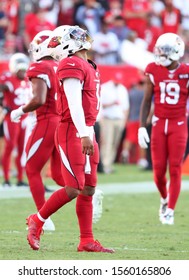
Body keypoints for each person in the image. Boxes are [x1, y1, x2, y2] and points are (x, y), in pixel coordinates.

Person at [25, 25, 114, 253]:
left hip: (86, 129)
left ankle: (86, 240)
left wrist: (90, 131)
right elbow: (73, 102)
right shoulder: (70, 63)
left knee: (89, 189)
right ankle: (38, 219)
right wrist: (85, 133)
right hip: (72, 130)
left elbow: (90, 103)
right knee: (74, 187)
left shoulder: (88, 65)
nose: (55, 47)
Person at [10, 30, 64, 231]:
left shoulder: (39, 67)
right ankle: (89, 194)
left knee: (32, 169)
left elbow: (39, 99)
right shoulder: (61, 65)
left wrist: (20, 110)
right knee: (60, 176)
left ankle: (43, 217)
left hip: (46, 121)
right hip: (62, 122)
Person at [138, 32, 188, 225]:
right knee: (158, 171)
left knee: (175, 168)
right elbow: (146, 99)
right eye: (160, 50)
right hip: (159, 123)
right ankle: (164, 199)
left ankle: (170, 211)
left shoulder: (186, 72)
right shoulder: (153, 69)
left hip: (179, 124)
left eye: (165, 51)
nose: (161, 54)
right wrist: (142, 126)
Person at [0, 52, 31, 187]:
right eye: (20, 70)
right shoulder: (8, 79)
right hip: (11, 119)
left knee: (22, 149)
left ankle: (19, 178)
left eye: (24, 70)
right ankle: (6, 179)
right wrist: (3, 105)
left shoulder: (27, 81)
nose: (23, 72)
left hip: (24, 119)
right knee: (10, 146)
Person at [100, 74, 129, 174]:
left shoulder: (122, 89)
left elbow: (126, 107)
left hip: (119, 119)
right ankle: (105, 164)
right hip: (108, 118)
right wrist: (111, 103)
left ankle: (110, 163)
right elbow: (99, 104)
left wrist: (124, 121)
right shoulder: (105, 88)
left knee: (115, 143)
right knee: (107, 142)